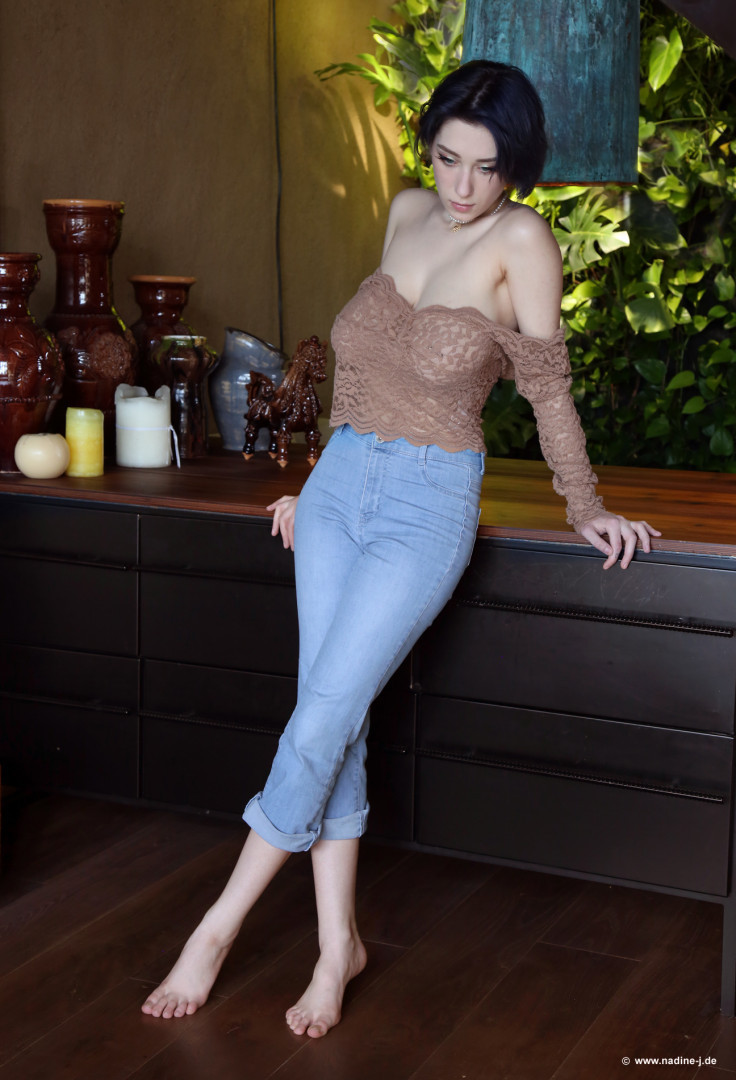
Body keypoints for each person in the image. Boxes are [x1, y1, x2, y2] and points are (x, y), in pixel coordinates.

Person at [141, 60, 660, 1037]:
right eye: (448, 159)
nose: (463, 186)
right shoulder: (405, 209)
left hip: (426, 504)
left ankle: (214, 930)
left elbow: (547, 388)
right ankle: (337, 946)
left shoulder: (522, 240)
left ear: (517, 168)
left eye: (488, 167)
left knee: (321, 716)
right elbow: (365, 370)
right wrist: (315, 478)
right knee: (331, 717)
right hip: (339, 490)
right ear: (428, 150)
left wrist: (584, 505)